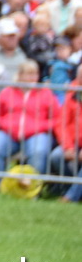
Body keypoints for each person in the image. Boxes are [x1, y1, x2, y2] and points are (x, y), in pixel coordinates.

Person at [0, 60, 58, 187]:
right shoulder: (7, 92)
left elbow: (57, 119)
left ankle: (33, 189)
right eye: (29, 74)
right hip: (9, 133)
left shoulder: (46, 93)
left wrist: (38, 127)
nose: (33, 78)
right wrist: (6, 125)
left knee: (38, 151)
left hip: (37, 133)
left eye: (35, 74)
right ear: (20, 75)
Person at [49, 73, 82, 203]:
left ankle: (70, 197)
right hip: (73, 142)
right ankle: (75, 190)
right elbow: (61, 124)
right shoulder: (71, 95)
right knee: (56, 156)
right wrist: (67, 147)